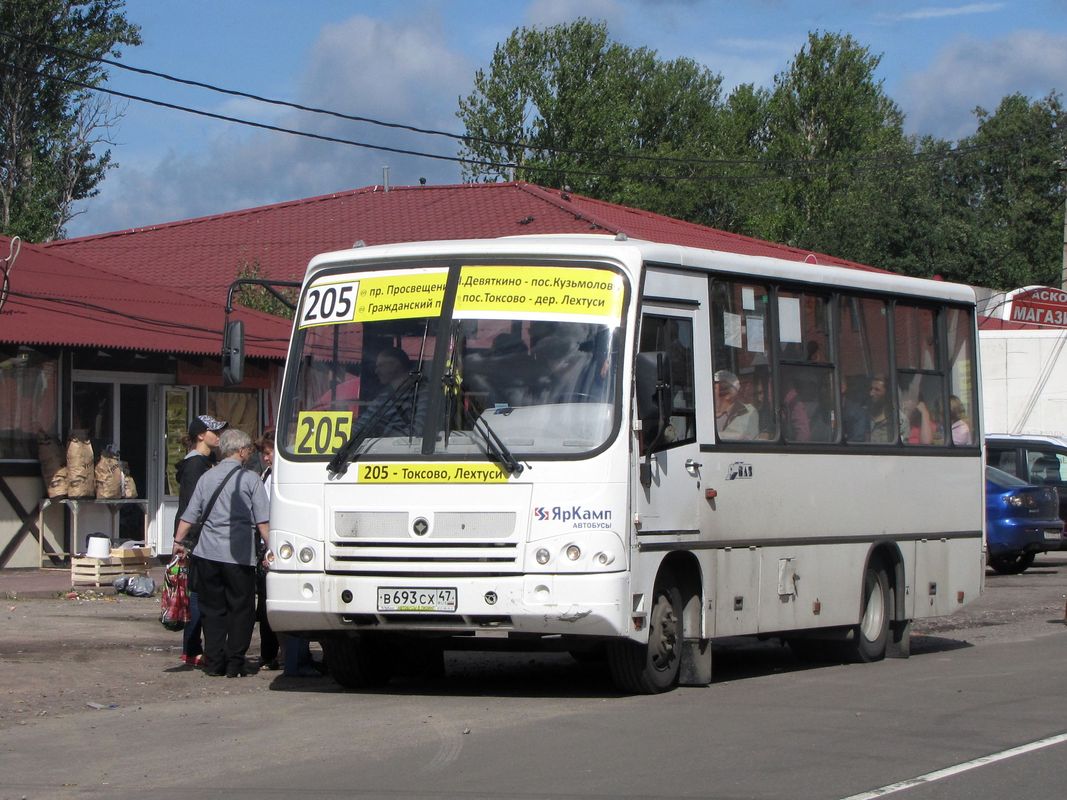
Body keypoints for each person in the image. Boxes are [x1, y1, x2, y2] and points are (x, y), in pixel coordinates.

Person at [173, 428, 270, 678]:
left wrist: (178, 541)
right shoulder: (251, 480)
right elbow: (263, 522)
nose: (249, 454)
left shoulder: (207, 478)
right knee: (241, 609)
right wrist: (273, 548)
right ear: (241, 451)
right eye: (248, 449)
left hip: (207, 555)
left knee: (212, 609)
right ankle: (235, 662)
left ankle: (214, 662)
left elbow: (190, 514)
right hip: (239, 556)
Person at [174, 414, 227, 667]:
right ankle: (192, 648)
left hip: (204, 535)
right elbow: (193, 505)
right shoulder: (195, 464)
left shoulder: (209, 461)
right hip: (195, 537)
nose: (218, 435)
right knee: (196, 594)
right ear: (200, 435)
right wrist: (185, 541)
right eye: (214, 431)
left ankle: (198, 648)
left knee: (202, 592)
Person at [350, 347, 424, 439]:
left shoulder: (423, 392)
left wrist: (387, 440)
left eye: (381, 366)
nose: (376, 371)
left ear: (396, 366)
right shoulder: (385, 397)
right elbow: (362, 426)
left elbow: (418, 431)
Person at [254, 430, 279, 671]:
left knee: (269, 602)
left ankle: (274, 653)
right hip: (266, 547)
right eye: (264, 453)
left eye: (269, 453)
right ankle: (269, 654)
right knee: (264, 605)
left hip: (272, 546)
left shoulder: (277, 477)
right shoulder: (266, 475)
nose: (266, 458)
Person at [714, 369, 758, 440]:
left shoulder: (747, 411)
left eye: (714, 388)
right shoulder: (706, 413)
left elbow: (742, 437)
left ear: (728, 395)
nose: (709, 391)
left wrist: (711, 435)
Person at [868, 376, 895, 443]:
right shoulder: (863, 415)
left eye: (877, 390)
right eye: (871, 389)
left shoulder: (898, 420)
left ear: (887, 393)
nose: (871, 393)